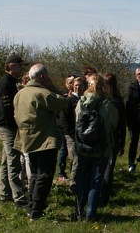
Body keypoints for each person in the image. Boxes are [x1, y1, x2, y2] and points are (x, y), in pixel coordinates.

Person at [14, 64, 69, 220]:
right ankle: (37, 209)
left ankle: (32, 204)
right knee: (44, 175)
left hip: (27, 139)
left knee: (35, 175)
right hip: (44, 139)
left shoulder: (20, 94)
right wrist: (52, 86)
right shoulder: (42, 93)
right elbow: (63, 104)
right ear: (42, 77)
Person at [73, 73, 119, 222]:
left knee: (81, 179)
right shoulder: (107, 105)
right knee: (96, 180)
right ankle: (90, 214)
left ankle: (78, 211)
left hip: (83, 147)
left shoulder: (81, 102)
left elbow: (77, 122)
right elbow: (114, 123)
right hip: (102, 148)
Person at [0, 54, 29, 209]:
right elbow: (7, 110)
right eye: (19, 65)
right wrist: (18, 124)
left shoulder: (12, 82)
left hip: (10, 126)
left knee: (5, 161)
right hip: (8, 126)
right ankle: (19, 198)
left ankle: (5, 194)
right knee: (14, 161)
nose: (22, 68)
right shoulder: (6, 84)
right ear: (11, 66)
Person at [98, 72, 126, 208]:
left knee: (101, 167)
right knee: (109, 167)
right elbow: (122, 124)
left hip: (100, 137)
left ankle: (98, 195)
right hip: (114, 137)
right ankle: (104, 196)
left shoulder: (101, 100)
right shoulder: (118, 101)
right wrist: (122, 142)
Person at [56, 76, 86, 189]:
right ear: (73, 87)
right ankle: (73, 183)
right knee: (75, 158)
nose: (78, 87)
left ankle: (77, 180)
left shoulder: (84, 100)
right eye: (76, 85)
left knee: (79, 159)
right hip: (71, 135)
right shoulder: (68, 101)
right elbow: (63, 119)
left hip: (83, 134)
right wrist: (70, 133)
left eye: (80, 85)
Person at [56, 75, 77, 184]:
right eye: (69, 82)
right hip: (63, 127)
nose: (71, 84)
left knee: (71, 152)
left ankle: (71, 171)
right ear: (66, 83)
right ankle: (61, 173)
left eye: (72, 82)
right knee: (63, 150)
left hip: (71, 128)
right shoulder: (62, 95)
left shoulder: (76, 97)